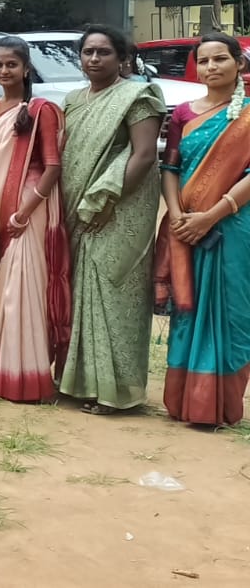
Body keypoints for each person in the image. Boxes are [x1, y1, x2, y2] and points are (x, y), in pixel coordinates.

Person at [59, 25, 164, 414]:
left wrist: (107, 201)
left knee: (112, 294)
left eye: (103, 52)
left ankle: (117, 391)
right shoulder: (72, 100)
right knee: (79, 295)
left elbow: (142, 155)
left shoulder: (138, 96)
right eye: (88, 52)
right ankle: (79, 384)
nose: (94, 59)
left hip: (117, 209)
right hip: (77, 207)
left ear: (123, 58)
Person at [156, 33, 250, 426]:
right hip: (185, 227)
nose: (212, 67)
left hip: (233, 223)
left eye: (220, 59)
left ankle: (218, 406)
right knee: (188, 307)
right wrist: (178, 216)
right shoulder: (182, 114)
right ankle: (185, 403)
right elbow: (171, 168)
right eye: (205, 61)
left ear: (239, 64)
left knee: (230, 308)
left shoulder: (248, 112)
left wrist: (212, 215)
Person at [0, 37, 70, 403]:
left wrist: (26, 211)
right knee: (3, 286)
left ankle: (26, 375)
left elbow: (53, 165)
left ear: (26, 69)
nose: (4, 71)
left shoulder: (41, 109)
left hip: (28, 210)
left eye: (11, 64)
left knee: (21, 292)